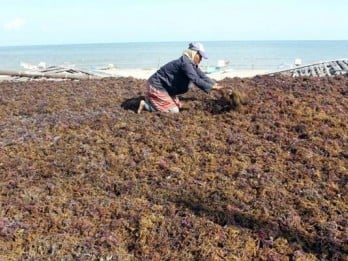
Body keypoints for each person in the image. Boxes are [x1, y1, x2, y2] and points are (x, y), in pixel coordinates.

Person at [137, 42, 223, 113]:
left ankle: (152, 99)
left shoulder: (191, 64)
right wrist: (212, 88)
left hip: (167, 88)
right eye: (200, 56)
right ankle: (146, 105)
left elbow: (202, 76)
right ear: (194, 53)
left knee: (178, 105)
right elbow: (196, 80)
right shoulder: (185, 64)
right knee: (174, 111)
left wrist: (216, 85)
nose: (201, 59)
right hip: (157, 86)